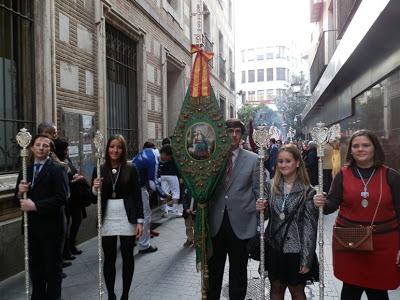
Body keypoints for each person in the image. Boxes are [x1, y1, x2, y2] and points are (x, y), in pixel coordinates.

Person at [314, 129, 400, 300]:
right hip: (349, 243)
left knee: (378, 292)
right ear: (351, 150)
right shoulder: (342, 175)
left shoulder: (391, 176)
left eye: (365, 145)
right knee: (350, 291)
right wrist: (320, 202)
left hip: (382, 245)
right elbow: (330, 206)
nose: (360, 149)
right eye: (356, 146)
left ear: (374, 148)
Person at [256, 144, 318, 300]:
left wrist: (306, 258)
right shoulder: (271, 186)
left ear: (297, 163)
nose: (283, 165)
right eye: (280, 161)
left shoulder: (307, 191)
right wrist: (260, 208)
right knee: (276, 289)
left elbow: (310, 227)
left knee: (296, 291)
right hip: (274, 248)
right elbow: (268, 216)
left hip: (296, 251)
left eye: (288, 161)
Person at [207, 118, 259, 300]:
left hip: (241, 227)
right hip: (215, 225)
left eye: (238, 132)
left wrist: (258, 221)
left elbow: (259, 193)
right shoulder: (211, 158)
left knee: (238, 274)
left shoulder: (254, 160)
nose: (234, 135)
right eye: (230, 131)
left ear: (242, 135)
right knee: (214, 273)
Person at [15, 134, 69, 300]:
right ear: (32, 148)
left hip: (51, 228)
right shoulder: (26, 169)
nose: (40, 148)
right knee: (35, 271)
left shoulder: (57, 169)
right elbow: (17, 201)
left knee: (52, 272)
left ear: (49, 149)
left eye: (45, 145)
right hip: (31, 228)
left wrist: (36, 206)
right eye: (37, 145)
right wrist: (20, 193)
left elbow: (62, 197)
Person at [92, 135, 144, 300]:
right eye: (112, 146)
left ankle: (125, 294)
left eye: (119, 147)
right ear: (107, 148)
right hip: (107, 216)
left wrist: (140, 221)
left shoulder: (131, 168)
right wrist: (95, 188)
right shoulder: (100, 168)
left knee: (128, 256)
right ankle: (111, 295)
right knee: (109, 258)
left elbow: (137, 196)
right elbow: (94, 198)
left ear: (123, 150)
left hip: (127, 215)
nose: (115, 150)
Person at [133, 141, 169, 254]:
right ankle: (144, 245)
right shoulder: (155, 159)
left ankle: (130, 239)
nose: (167, 160)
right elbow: (153, 183)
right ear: (165, 154)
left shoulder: (148, 151)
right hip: (138, 188)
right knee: (145, 216)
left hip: (130, 187)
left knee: (132, 215)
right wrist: (164, 194)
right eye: (168, 158)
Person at [159, 144, 181, 217]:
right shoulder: (172, 156)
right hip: (172, 175)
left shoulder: (159, 156)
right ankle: (174, 211)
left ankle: (165, 211)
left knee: (163, 192)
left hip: (162, 176)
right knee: (175, 192)